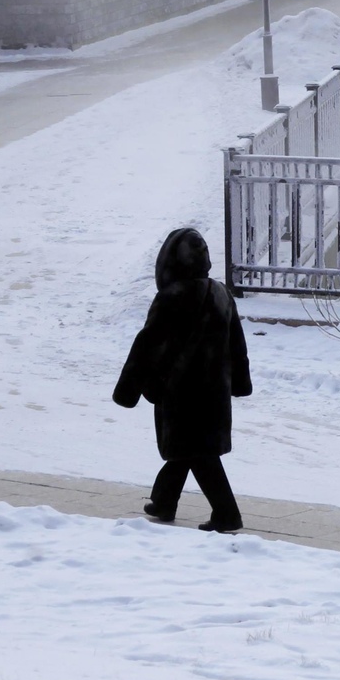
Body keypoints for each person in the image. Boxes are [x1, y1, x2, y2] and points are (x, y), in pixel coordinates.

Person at [114, 227, 253, 533]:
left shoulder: (171, 297)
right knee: (189, 448)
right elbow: (236, 343)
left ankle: (227, 513)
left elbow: (147, 344)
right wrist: (240, 382)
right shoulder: (221, 293)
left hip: (180, 391)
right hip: (214, 391)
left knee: (198, 453)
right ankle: (164, 501)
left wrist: (128, 389)